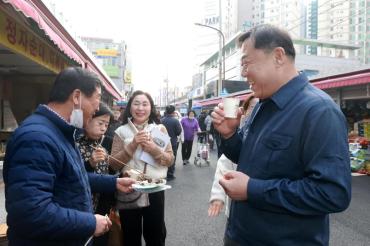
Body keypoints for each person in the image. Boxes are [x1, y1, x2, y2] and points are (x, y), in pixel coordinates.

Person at [212, 24, 351, 245]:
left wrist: (252, 189)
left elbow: (332, 193)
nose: (242, 72)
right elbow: (251, 158)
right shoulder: (261, 105)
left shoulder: (319, 111)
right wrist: (230, 135)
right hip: (241, 235)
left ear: (278, 56)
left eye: (246, 62)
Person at [3, 67, 135, 245]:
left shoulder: (62, 132)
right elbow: (31, 212)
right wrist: (90, 222)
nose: (97, 108)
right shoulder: (37, 138)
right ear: (76, 97)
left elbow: (73, 177)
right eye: (97, 99)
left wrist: (114, 182)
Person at [109, 90, 174, 246]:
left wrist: (153, 148)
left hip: (155, 188)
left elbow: (169, 160)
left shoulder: (159, 130)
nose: (140, 108)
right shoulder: (121, 131)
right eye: (136, 103)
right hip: (129, 188)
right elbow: (114, 164)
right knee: (130, 235)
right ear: (130, 107)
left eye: (145, 104)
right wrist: (133, 144)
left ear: (151, 108)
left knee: (155, 233)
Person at [208, 96, 258, 218]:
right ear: (244, 111)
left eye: (259, 106)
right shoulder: (242, 132)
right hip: (237, 212)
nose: (257, 110)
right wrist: (218, 196)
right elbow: (223, 166)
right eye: (253, 107)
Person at [76, 102, 114, 246]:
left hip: (102, 202)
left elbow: (107, 172)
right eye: (100, 123)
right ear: (88, 119)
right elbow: (74, 177)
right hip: (82, 205)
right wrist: (89, 163)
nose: (104, 128)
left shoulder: (104, 143)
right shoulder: (74, 143)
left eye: (106, 124)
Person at [161, 105, 182, 180]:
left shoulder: (162, 120)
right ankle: (170, 174)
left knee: (163, 157)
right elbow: (178, 132)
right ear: (173, 112)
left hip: (162, 142)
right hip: (172, 142)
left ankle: (163, 173)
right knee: (172, 158)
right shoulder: (175, 121)